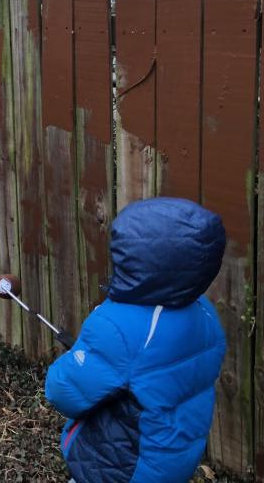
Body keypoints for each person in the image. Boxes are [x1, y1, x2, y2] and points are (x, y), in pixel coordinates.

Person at [45, 197, 227, 483]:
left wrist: (80, 355)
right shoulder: (205, 312)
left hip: (122, 465)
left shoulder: (117, 327)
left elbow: (63, 391)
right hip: (173, 459)